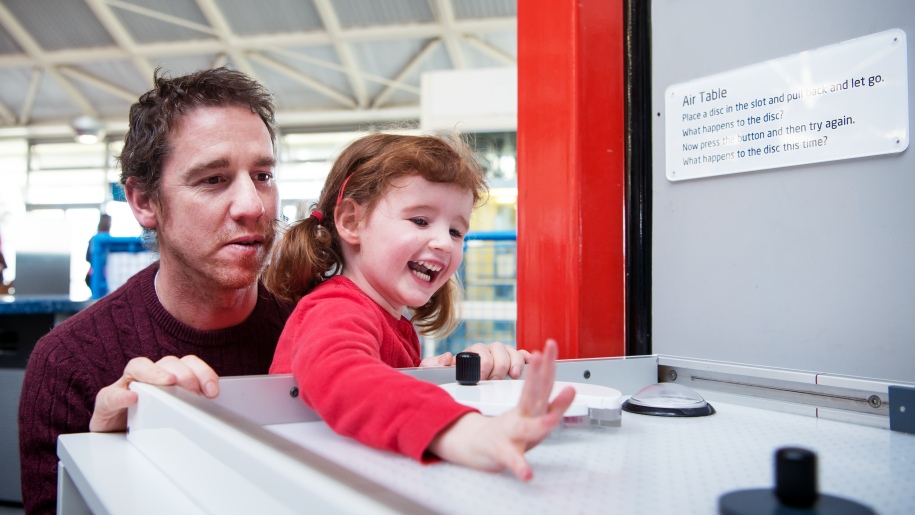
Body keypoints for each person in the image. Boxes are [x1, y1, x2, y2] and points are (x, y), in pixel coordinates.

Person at [18, 67, 296, 515]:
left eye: (262, 175)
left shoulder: (315, 331)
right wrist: (101, 469)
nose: (253, 206)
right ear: (144, 202)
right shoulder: (69, 364)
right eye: (213, 179)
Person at [266, 133, 576, 480]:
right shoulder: (336, 307)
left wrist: (424, 373)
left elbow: (374, 379)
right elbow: (342, 376)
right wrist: (465, 432)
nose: (445, 242)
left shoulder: (387, 319)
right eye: (420, 221)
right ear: (352, 222)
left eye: (457, 231)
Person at [85, 213, 112, 288]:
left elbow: (87, 257)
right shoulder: (109, 240)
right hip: (104, 274)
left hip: (93, 274)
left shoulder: (93, 239)